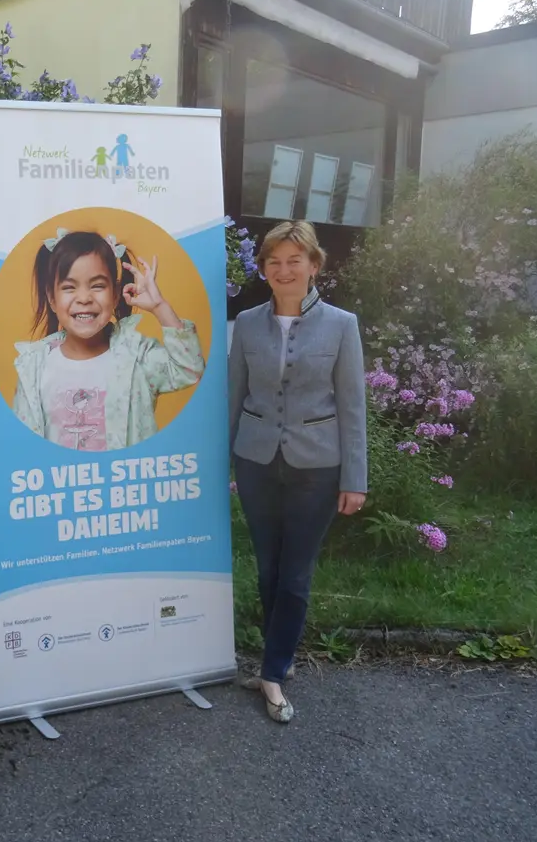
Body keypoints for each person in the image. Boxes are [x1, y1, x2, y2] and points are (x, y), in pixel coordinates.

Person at [226, 219, 367, 724]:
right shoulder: (246, 324)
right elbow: (234, 395)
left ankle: (272, 672)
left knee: (296, 573)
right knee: (268, 568)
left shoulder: (342, 325)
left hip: (318, 467)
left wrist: (355, 479)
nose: (283, 270)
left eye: (294, 261)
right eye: (274, 261)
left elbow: (352, 405)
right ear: (263, 268)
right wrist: (224, 461)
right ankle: (278, 659)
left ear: (313, 266)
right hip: (256, 461)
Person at [11, 228, 205, 452]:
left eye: (97, 286)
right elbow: (22, 446)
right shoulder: (33, 368)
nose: (84, 298)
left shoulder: (137, 357)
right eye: (69, 287)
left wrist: (159, 307)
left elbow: (189, 369)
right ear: (52, 298)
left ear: (115, 295)